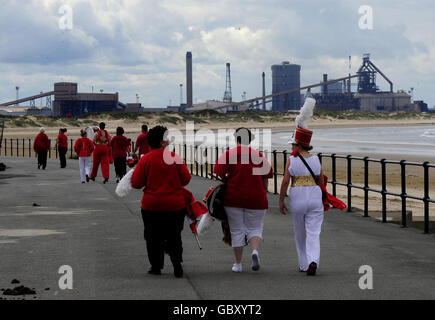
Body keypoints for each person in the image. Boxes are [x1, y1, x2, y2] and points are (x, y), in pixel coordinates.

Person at [131, 125, 191, 278]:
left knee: (152, 236)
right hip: (175, 205)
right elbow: (186, 180)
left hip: (152, 205)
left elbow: (136, 183)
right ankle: (177, 263)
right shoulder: (174, 158)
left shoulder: (146, 160)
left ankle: (156, 266)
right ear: (162, 142)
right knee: (174, 235)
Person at [213, 127, 273, 273]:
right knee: (255, 228)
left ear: (236, 139)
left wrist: (227, 177)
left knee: (237, 230)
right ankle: (254, 252)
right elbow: (267, 174)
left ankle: (238, 264)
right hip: (257, 198)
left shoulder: (229, 154)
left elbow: (218, 172)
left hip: (233, 198)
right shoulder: (258, 156)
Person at [279, 126, 324, 276]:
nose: (291, 147)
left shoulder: (292, 160)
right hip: (315, 196)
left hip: (298, 196)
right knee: (314, 232)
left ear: (298, 145)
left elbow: (285, 181)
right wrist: (323, 198)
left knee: (300, 233)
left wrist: (281, 200)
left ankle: (304, 264)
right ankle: (314, 261)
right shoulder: (317, 159)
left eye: (293, 144)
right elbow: (321, 180)